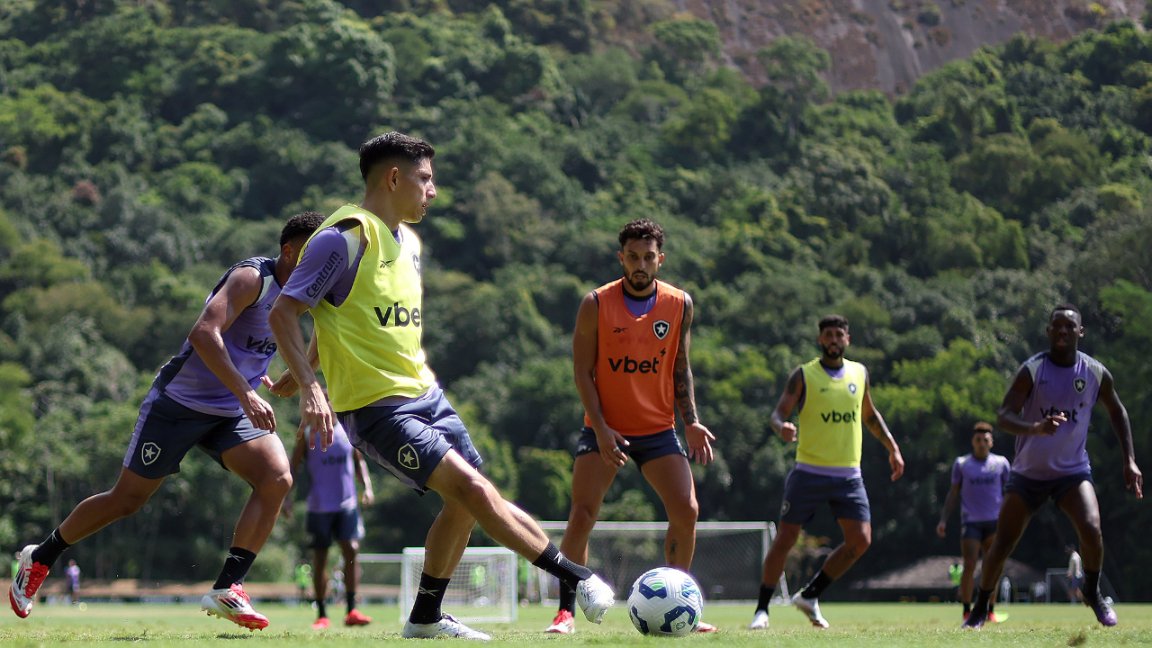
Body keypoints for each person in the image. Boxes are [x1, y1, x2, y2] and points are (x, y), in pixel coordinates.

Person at [268, 131, 615, 641]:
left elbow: (337, 315)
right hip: (377, 410)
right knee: (473, 491)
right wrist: (309, 385)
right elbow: (285, 312)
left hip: (427, 395)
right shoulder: (341, 238)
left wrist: (305, 366)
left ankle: (426, 616)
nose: (433, 190)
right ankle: (576, 578)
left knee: (469, 498)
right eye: (425, 179)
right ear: (392, 178)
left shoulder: (409, 242)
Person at [8, 212, 326, 630]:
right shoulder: (254, 279)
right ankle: (41, 556)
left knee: (277, 478)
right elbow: (203, 333)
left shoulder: (311, 290)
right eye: (315, 252)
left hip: (229, 413)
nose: (324, 262)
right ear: (289, 251)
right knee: (127, 501)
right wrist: (247, 393)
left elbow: (328, 336)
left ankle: (228, 587)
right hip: (180, 403)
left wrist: (290, 378)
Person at [543, 218, 716, 636]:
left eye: (648, 257)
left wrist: (690, 421)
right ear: (621, 258)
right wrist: (600, 428)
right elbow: (582, 371)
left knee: (686, 510)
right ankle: (565, 612)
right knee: (582, 515)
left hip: (658, 430)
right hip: (606, 429)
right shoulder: (597, 303)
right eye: (633, 257)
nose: (641, 264)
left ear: (661, 259)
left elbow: (680, 365)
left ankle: (682, 607)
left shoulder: (680, 304)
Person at [963, 304, 1143, 629]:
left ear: (1081, 332)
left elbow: (1118, 412)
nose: (1062, 332)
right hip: (1028, 474)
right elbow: (1004, 416)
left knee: (1091, 529)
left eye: (1069, 327)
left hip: (1071, 473)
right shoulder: (1033, 370)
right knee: (1002, 543)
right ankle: (978, 611)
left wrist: (1129, 460)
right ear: (1048, 332)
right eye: (1056, 327)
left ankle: (1092, 593)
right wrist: (1035, 427)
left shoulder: (1094, 373)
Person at [748, 314, 904, 631]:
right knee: (786, 539)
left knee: (860, 540)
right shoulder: (804, 375)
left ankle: (811, 595)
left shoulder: (860, 373)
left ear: (848, 339)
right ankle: (762, 610)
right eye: (828, 335)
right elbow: (778, 413)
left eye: (839, 335)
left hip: (848, 475)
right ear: (820, 340)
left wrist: (892, 447)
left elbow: (870, 414)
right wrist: (782, 428)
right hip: (808, 472)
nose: (833, 340)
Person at [286, 419, 375, 629]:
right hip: (319, 506)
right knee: (320, 557)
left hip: (347, 504)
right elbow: (294, 465)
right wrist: (287, 497)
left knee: (351, 549)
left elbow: (359, 460)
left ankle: (352, 609)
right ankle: (322, 614)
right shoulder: (307, 434)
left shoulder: (347, 431)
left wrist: (368, 487)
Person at [936, 422, 1010, 621]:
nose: (982, 443)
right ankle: (967, 610)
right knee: (969, 565)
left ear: (991, 442)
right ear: (972, 442)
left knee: (993, 565)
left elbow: (1010, 493)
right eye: (978, 440)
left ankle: (990, 611)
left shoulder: (1001, 464)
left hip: (994, 522)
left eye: (985, 440)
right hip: (971, 523)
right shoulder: (962, 464)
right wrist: (943, 520)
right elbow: (953, 493)